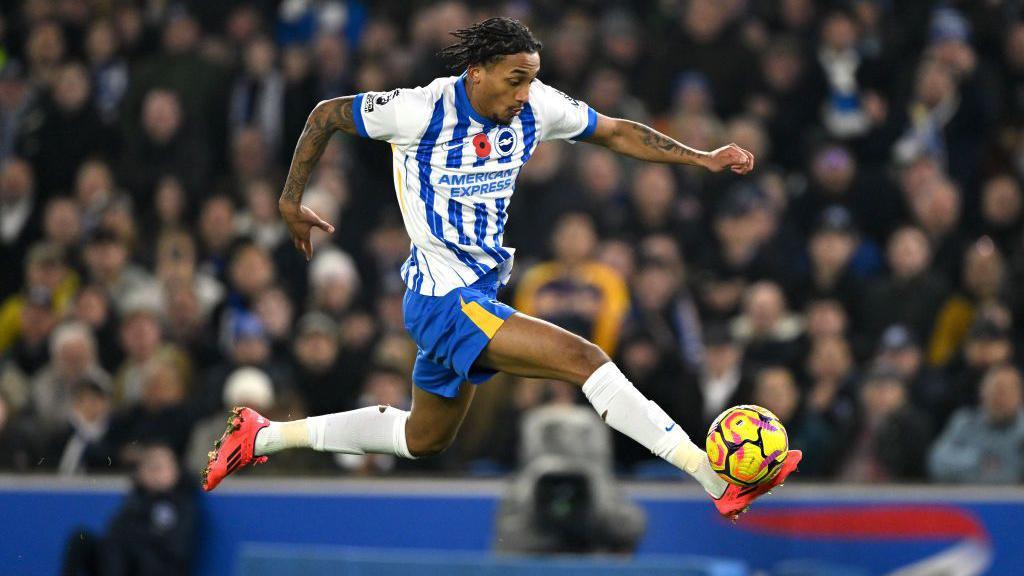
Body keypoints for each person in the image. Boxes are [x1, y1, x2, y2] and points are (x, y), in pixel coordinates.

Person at [202, 17, 800, 519]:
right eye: (515, 80)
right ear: (477, 73)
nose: (524, 93)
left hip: (476, 289)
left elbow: (616, 132)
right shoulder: (418, 112)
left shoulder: (535, 107)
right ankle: (713, 478)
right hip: (445, 299)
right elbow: (328, 112)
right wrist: (289, 201)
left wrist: (701, 157)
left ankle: (262, 435)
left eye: (531, 80)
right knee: (585, 360)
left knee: (424, 439)